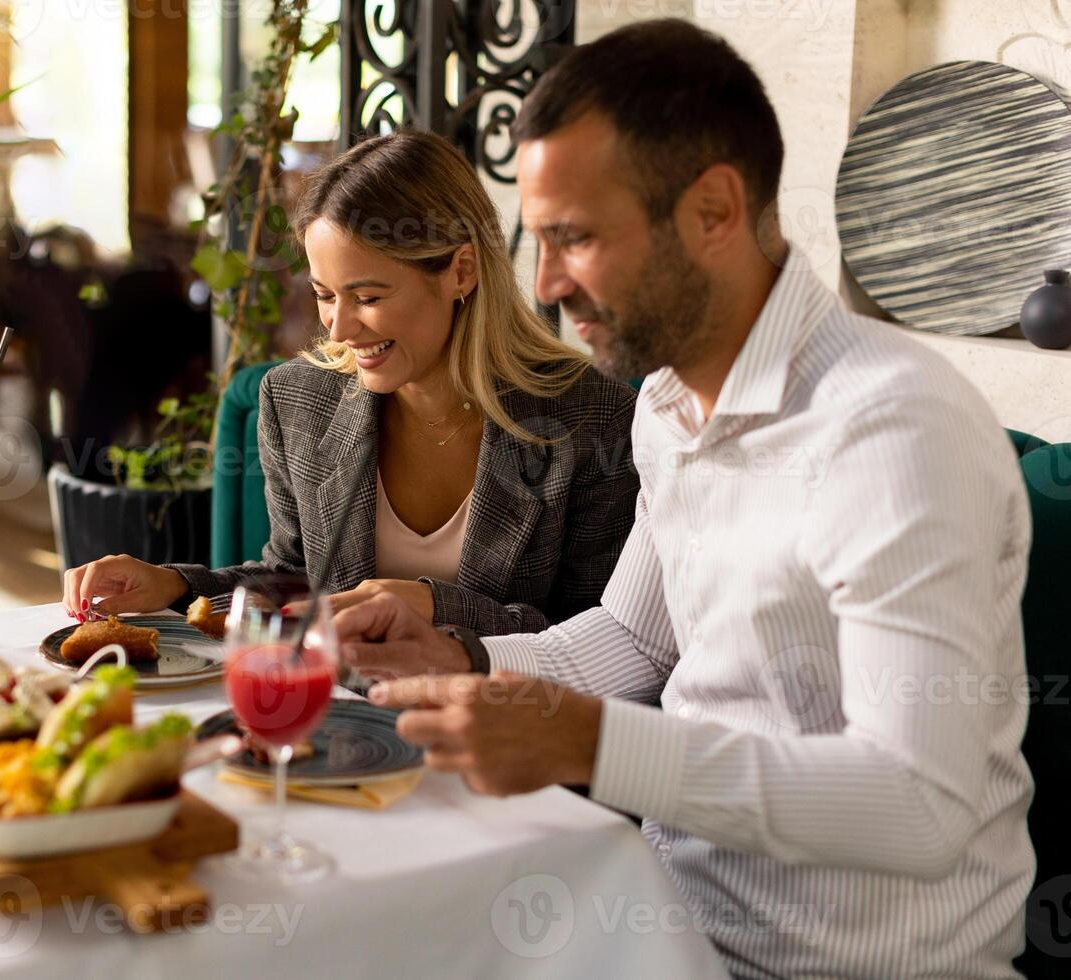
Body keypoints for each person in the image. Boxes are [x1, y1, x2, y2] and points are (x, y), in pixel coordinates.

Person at [334, 19, 1034, 979]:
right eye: (538, 242)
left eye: (575, 238)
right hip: (658, 917)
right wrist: (463, 654)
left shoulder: (893, 429)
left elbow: (919, 804)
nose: (545, 286)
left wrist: (594, 744)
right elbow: (634, 641)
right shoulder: (666, 405)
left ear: (713, 210)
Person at [63, 130, 639, 636]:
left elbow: (600, 638)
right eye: (323, 295)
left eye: (368, 297)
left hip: (496, 729)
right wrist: (173, 585)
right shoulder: (298, 404)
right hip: (334, 720)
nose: (339, 327)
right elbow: (292, 582)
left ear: (460, 271)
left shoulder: (592, 420)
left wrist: (433, 607)